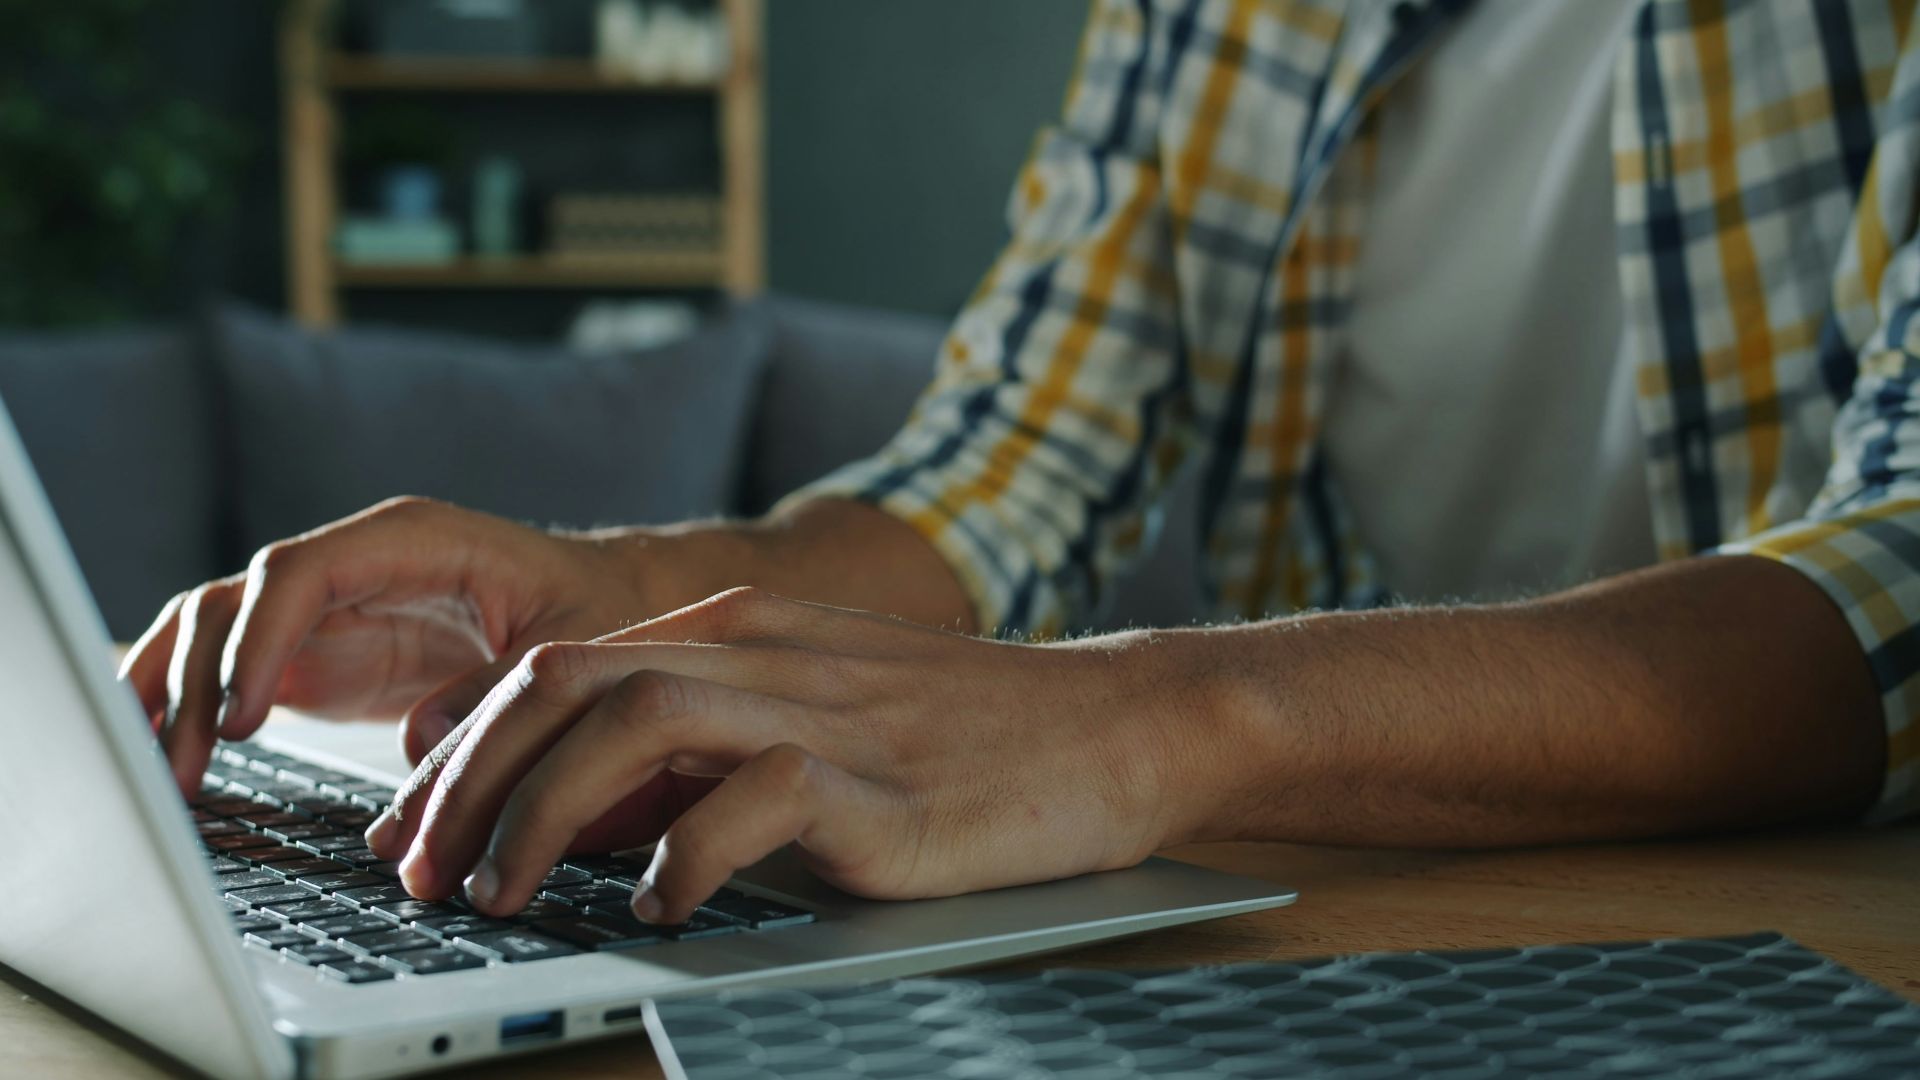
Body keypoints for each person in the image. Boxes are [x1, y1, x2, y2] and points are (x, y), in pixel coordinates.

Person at [126, 0, 1916, 929]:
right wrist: (627, 595)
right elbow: (1021, 458)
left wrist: (1160, 722)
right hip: (1332, 913)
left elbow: (1903, 565)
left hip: (1797, 925)